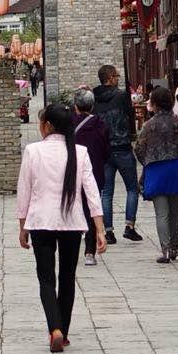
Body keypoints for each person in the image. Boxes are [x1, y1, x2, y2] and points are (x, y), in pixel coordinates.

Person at [16, 104, 106, 352]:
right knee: (67, 277)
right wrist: (99, 228)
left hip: (41, 222)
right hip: (71, 223)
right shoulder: (80, 152)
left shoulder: (33, 151)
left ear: (47, 125)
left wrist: (22, 226)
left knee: (46, 278)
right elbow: (92, 192)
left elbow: (24, 191)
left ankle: (54, 328)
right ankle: (63, 332)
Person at [135, 85, 178, 263]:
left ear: (154, 104)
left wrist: (147, 161)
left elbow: (139, 148)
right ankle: (175, 247)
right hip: (176, 167)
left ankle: (166, 249)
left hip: (156, 170)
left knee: (161, 213)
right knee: (174, 212)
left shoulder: (148, 125)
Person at [91, 65, 142, 244]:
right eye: (117, 76)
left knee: (106, 193)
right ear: (111, 78)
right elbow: (130, 118)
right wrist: (132, 136)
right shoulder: (121, 96)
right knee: (132, 188)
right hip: (122, 147)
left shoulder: (93, 97)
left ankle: (108, 232)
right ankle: (129, 226)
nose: (118, 79)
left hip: (104, 150)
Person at [72, 89, 110, 267]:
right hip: (95, 173)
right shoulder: (101, 125)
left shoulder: (69, 124)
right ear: (92, 106)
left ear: (75, 106)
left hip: (72, 173)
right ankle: (89, 252)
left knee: (72, 208)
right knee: (91, 209)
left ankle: (71, 249)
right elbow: (107, 152)